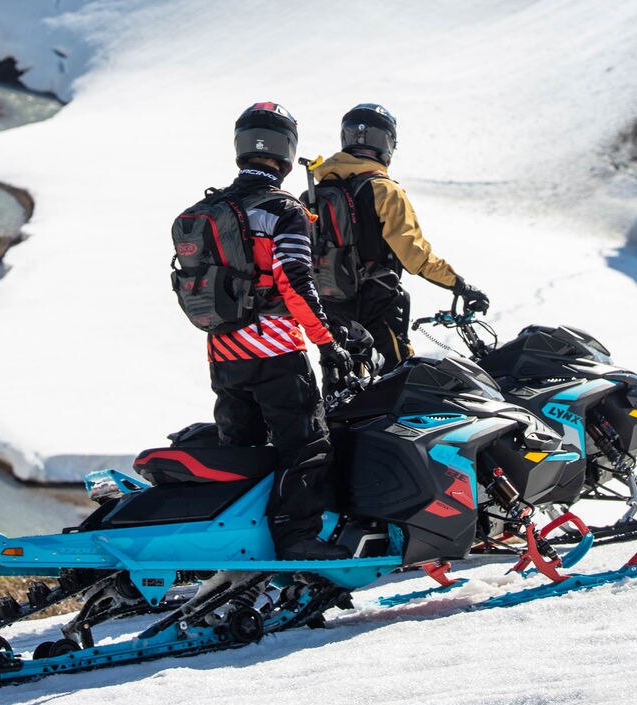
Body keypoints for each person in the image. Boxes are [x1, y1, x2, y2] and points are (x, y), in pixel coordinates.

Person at [202, 102, 353, 561]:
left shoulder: (212, 208)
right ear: (287, 151)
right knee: (306, 445)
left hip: (222, 351)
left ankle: (234, 543)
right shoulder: (283, 211)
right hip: (274, 351)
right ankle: (296, 540)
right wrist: (327, 345)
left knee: (240, 453)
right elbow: (294, 282)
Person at [308, 103, 488, 380]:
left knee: (345, 383)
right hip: (377, 302)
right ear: (387, 143)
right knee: (399, 380)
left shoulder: (315, 192)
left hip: (333, 303)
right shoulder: (383, 189)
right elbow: (414, 254)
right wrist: (459, 285)